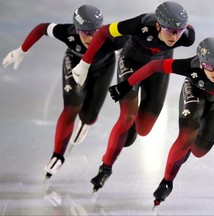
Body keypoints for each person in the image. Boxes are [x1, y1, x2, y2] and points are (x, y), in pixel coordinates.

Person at [109, 37, 214, 205]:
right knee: (187, 135)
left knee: (199, 151)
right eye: (209, 65)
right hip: (195, 91)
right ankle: (167, 182)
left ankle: (187, 148)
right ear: (201, 63)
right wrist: (125, 85)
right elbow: (154, 66)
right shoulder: (190, 66)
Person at [71, 1, 196, 192]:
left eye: (179, 30)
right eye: (170, 30)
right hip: (131, 61)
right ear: (157, 25)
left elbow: (187, 32)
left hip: (159, 67)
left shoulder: (187, 37)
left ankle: (128, 130)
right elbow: (104, 31)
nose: (174, 36)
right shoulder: (141, 23)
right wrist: (85, 62)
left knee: (143, 129)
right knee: (128, 115)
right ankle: (106, 167)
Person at [2, 5, 128, 179]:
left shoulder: (112, 38)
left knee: (89, 116)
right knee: (71, 106)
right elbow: (41, 28)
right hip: (74, 62)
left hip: (103, 67)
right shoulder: (67, 33)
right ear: (76, 29)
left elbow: (135, 38)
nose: (91, 38)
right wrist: (22, 50)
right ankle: (57, 155)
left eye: (95, 31)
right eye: (85, 32)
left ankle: (85, 122)